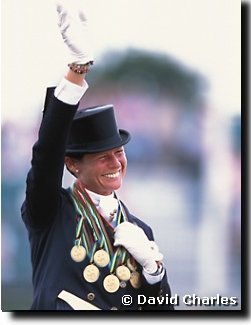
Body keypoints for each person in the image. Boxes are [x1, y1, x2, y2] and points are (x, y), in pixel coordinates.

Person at [21, 0, 174, 311]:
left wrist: (154, 271)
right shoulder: (51, 210)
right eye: (103, 157)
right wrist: (78, 68)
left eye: (118, 153)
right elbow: (46, 152)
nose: (116, 163)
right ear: (73, 164)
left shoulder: (140, 230)